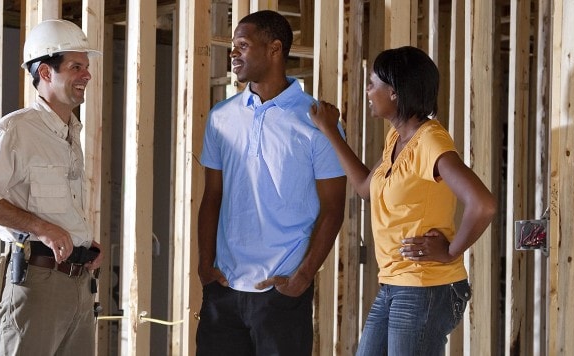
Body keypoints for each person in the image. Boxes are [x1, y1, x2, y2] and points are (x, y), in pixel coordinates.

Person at [310, 46, 497, 355]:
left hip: (426, 287)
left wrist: (451, 251)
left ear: (394, 91)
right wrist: (331, 131)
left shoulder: (430, 141)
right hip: (396, 285)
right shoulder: (397, 138)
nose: (368, 91)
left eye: (373, 84)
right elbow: (366, 189)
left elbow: (483, 204)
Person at [195, 9, 347, 356]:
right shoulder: (221, 117)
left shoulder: (316, 122)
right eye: (233, 45)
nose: (233, 53)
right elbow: (212, 196)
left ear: (274, 49)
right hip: (224, 290)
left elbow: (334, 208)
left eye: (243, 45)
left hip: (281, 292)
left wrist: (303, 276)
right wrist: (205, 265)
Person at [0, 19, 104, 355]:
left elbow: (52, 201)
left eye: (87, 67)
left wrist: (80, 238)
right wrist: (43, 229)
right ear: (46, 72)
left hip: (79, 284)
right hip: (38, 283)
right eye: (76, 66)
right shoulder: (17, 130)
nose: (87, 75)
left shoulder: (70, 132)